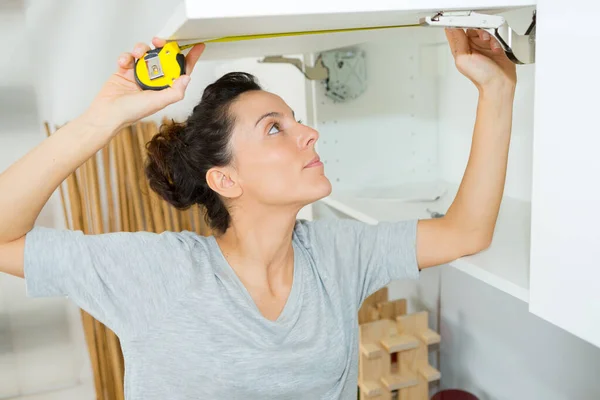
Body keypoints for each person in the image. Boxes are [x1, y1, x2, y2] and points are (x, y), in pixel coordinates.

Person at [0, 28, 516, 399]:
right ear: (226, 180)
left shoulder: (338, 254)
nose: (308, 133)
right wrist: (102, 118)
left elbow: (466, 232)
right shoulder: (156, 271)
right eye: (275, 128)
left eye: (294, 121)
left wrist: (496, 89)